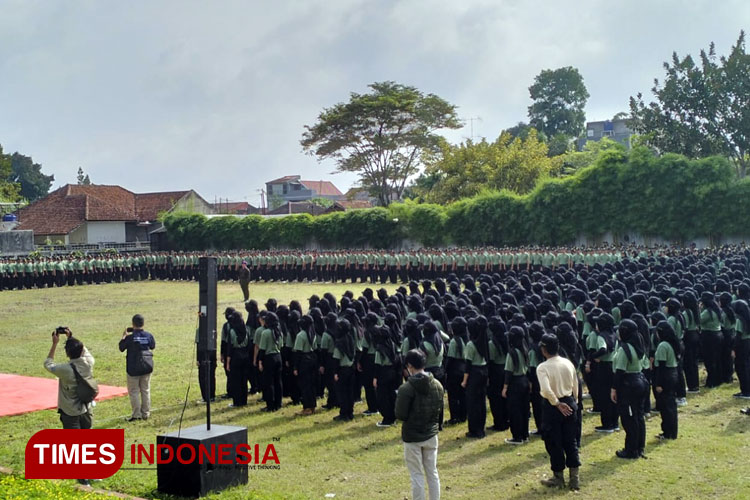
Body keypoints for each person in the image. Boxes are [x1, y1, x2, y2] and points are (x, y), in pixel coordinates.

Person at [44, 327, 96, 486]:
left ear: (67, 354)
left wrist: (54, 344)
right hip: (86, 408)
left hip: (70, 410)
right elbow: (84, 350)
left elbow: (48, 364)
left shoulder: (65, 370)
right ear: (81, 351)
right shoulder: (89, 362)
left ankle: (82, 477)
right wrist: (71, 337)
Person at [395, 349, 444, 500]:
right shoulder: (437, 385)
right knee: (432, 472)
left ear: (409, 366)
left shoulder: (406, 389)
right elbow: (440, 411)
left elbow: (400, 415)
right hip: (431, 434)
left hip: (413, 437)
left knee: (416, 474)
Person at [536, 333, 580, 491]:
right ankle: (574, 479)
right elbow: (576, 383)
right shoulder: (568, 363)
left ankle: (558, 477)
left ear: (544, 349)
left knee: (554, 442)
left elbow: (546, 389)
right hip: (569, 402)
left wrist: (556, 403)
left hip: (553, 407)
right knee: (571, 441)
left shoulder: (543, 367)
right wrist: (575, 401)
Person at [611, 319, 648, 459]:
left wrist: (614, 389)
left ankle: (631, 450)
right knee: (638, 416)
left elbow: (619, 371)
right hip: (640, 380)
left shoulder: (624, 348)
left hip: (628, 384)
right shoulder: (639, 343)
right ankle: (639, 447)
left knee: (629, 418)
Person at [118, 314, 155, 421]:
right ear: (143, 324)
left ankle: (136, 414)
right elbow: (152, 346)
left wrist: (123, 337)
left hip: (133, 368)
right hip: (147, 366)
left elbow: (121, 347)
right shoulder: (148, 335)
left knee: (134, 391)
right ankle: (146, 413)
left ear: (133, 324)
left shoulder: (130, 337)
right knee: (145, 390)